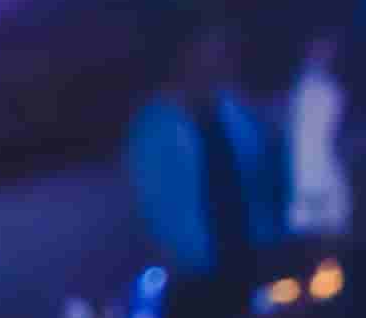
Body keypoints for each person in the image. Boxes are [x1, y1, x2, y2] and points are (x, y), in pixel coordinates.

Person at [119, 18, 279, 297]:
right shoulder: (153, 127)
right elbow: (150, 208)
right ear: (184, 56)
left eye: (222, 52)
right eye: (207, 51)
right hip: (193, 273)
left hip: (255, 257)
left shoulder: (236, 111)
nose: (216, 62)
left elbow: (263, 177)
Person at [281, 24, 353, 242]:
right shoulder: (301, 90)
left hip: (327, 188)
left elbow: (336, 138)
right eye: (320, 45)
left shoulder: (330, 88)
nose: (327, 50)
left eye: (330, 45)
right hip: (306, 191)